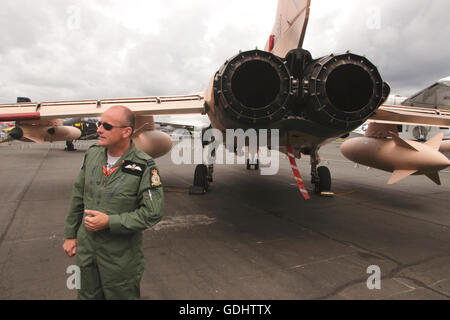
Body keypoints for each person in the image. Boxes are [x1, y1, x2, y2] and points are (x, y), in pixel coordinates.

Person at [62, 105, 164, 300]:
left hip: (120, 259)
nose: (98, 129)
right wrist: (70, 235)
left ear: (126, 132)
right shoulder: (92, 155)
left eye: (107, 126)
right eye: (100, 124)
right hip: (87, 251)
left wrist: (110, 222)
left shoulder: (144, 166)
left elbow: (152, 213)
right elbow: (78, 196)